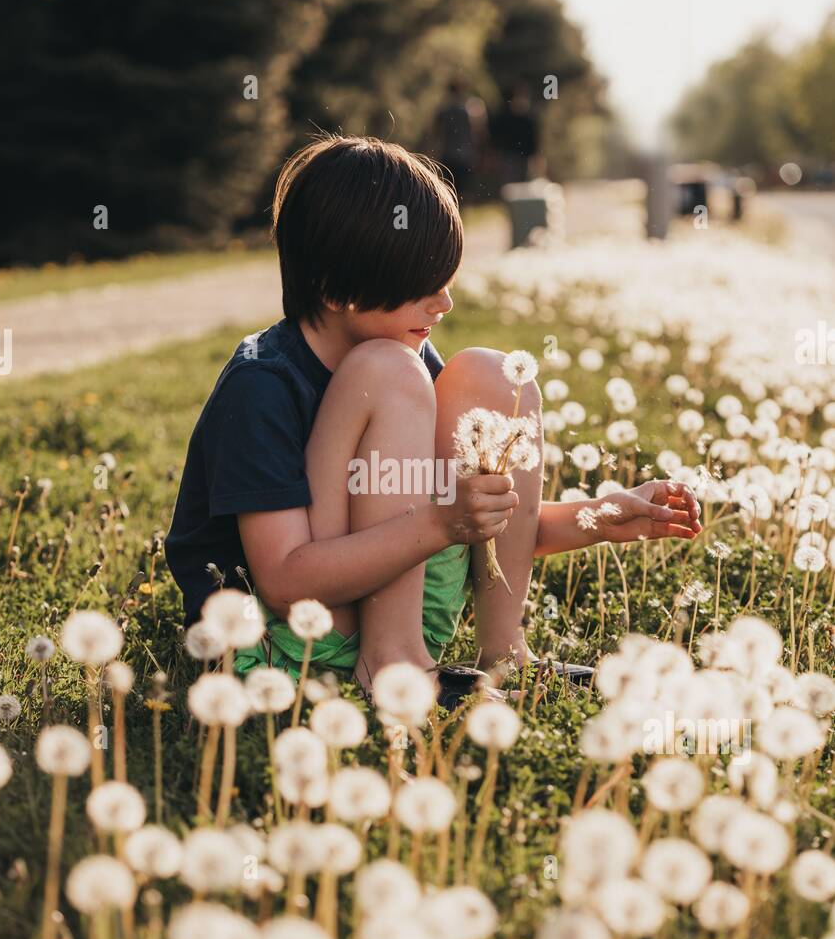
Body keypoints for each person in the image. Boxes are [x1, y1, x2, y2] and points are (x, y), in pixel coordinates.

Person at [165, 135, 700, 704]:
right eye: (420, 285)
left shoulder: (406, 358)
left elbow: (469, 520)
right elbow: (286, 577)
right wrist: (442, 524)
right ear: (334, 288)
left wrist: (600, 517)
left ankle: (505, 657)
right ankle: (395, 669)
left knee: (492, 376)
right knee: (388, 372)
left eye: (444, 279)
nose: (444, 302)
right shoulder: (262, 386)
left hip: (384, 601)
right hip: (282, 639)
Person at [432, 80, 486, 202]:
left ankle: (450, 211)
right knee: (462, 189)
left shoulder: (443, 111)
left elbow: (436, 134)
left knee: (448, 187)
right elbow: (478, 133)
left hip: (448, 154)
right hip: (464, 155)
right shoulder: (470, 110)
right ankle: (459, 212)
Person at [492, 83, 539, 187]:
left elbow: (533, 139)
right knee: (510, 186)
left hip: (524, 157)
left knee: (522, 186)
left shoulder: (529, 117)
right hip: (509, 156)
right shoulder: (506, 117)